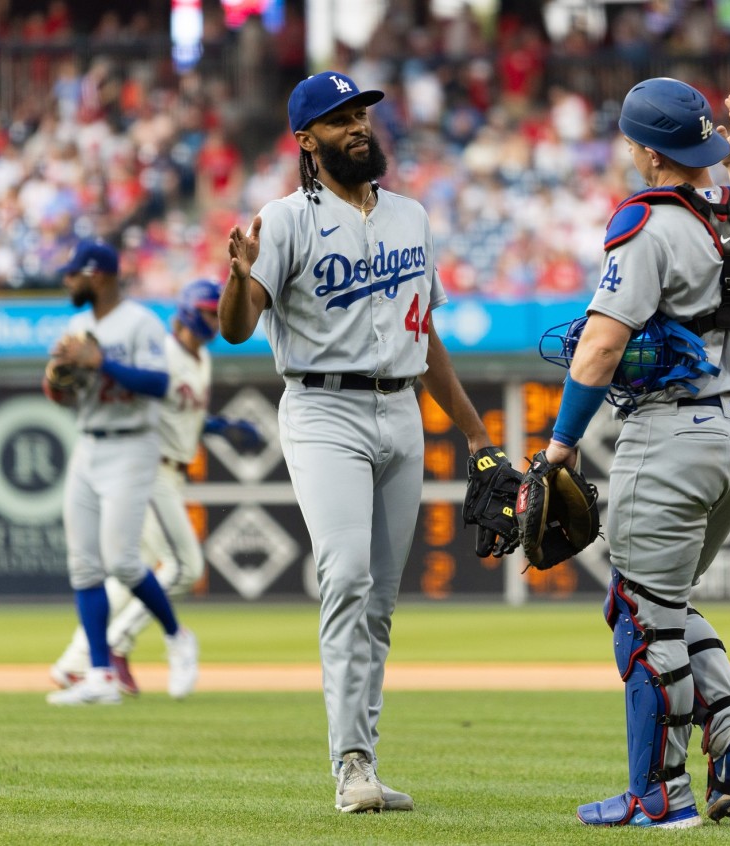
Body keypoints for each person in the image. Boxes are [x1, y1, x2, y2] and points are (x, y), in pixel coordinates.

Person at [219, 70, 503, 814]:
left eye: (362, 114)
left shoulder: (410, 216)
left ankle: (366, 757)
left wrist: (476, 433)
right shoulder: (284, 220)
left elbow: (426, 332)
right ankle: (348, 764)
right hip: (322, 410)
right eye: (340, 118)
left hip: (401, 407)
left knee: (379, 599)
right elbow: (238, 325)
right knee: (344, 576)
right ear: (306, 139)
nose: (358, 127)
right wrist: (237, 277)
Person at [540, 79, 730, 828]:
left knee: (639, 614)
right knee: (664, 599)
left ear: (648, 151)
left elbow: (601, 345)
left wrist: (559, 446)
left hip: (672, 435)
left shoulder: (643, 223)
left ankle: (660, 793)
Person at [49, 279, 263, 698]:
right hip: (146, 467)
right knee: (185, 567)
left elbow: (183, 413)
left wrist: (222, 427)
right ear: (186, 311)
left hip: (168, 469)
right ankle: (114, 645)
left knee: (128, 572)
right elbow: (141, 393)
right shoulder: (162, 351)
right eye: (205, 311)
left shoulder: (200, 358)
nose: (212, 320)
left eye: (214, 311)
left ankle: (74, 662)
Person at [42, 238, 200, 706]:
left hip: (133, 444)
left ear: (99, 275)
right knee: (84, 565)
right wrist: (56, 378)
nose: (69, 280)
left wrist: (101, 361)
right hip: (89, 442)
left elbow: (157, 383)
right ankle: (100, 674)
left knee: (123, 560)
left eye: (76, 273)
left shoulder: (140, 323)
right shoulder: (77, 324)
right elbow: (66, 392)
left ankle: (176, 635)